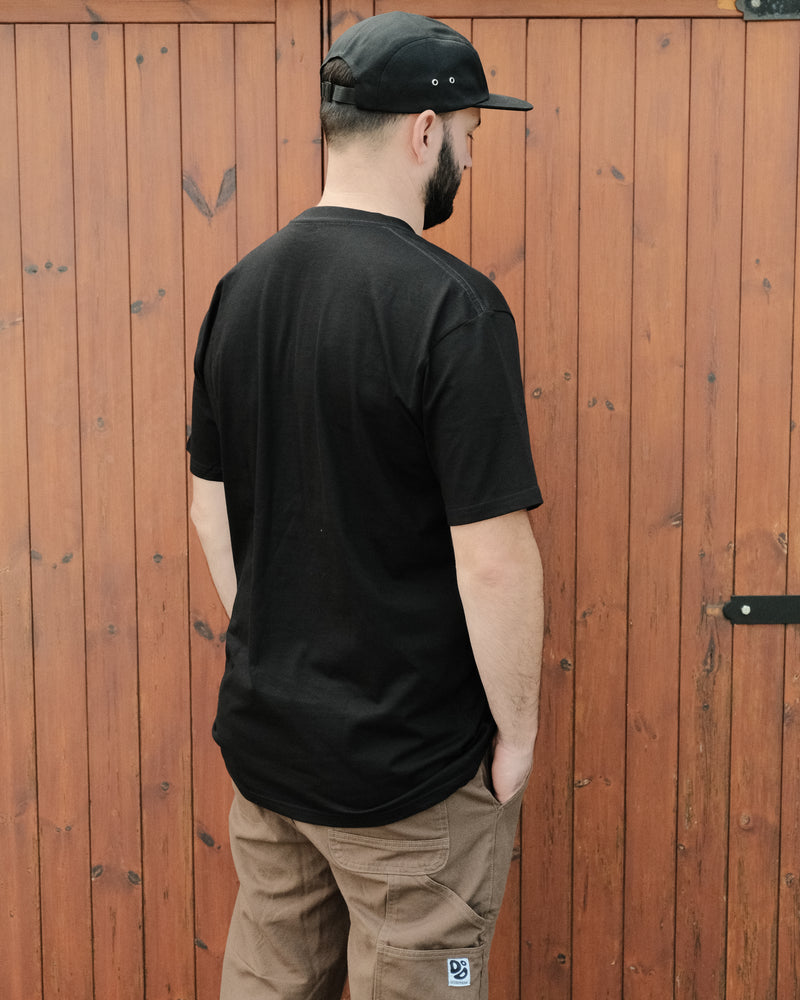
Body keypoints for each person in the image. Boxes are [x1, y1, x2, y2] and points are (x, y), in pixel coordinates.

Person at [188, 11, 544, 999]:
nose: (467, 158)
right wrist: (513, 735)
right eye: (468, 133)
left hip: (272, 758)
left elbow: (208, 508)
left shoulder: (240, 290)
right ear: (422, 130)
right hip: (413, 782)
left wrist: (279, 643)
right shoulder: (450, 306)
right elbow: (492, 556)